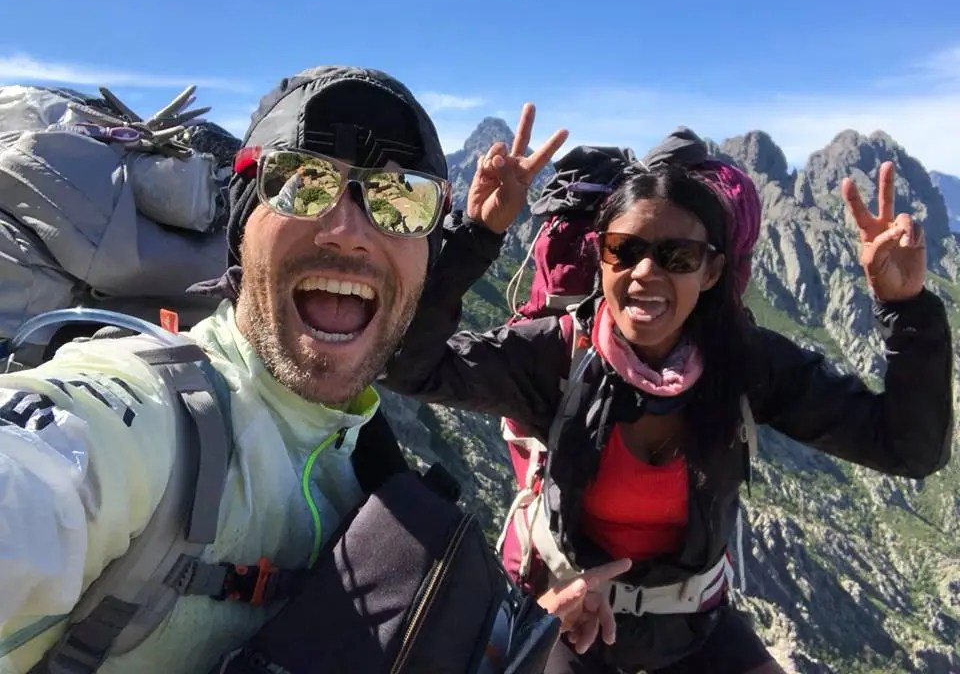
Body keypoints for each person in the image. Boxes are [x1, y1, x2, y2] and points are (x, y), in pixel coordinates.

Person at [0, 65, 588, 673]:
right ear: (242, 228)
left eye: (400, 200)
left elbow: (412, 347)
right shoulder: (140, 413)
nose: (347, 232)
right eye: (301, 182)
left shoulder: (360, 446)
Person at [382, 124, 954, 672]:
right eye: (623, 250)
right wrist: (476, 235)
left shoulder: (744, 363)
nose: (645, 273)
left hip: (691, 623)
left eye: (677, 257)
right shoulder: (556, 354)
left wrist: (906, 310)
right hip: (568, 609)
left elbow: (908, 448)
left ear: (711, 272)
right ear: (600, 255)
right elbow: (409, 368)